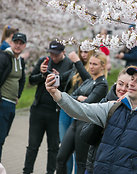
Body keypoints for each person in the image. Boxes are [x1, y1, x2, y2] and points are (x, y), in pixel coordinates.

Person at [45, 64, 137, 174]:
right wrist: (56, 94)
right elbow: (81, 110)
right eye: (132, 79)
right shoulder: (113, 107)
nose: (131, 83)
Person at [23, 40, 74, 174]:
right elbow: (31, 80)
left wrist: (59, 78)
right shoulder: (43, 60)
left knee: (53, 148)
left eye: (56, 54)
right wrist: (42, 74)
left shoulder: (69, 65)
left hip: (56, 112)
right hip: (38, 109)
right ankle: (26, 171)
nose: (53, 57)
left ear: (63, 52)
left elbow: (69, 87)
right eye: (51, 53)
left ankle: (50, 172)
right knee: (33, 146)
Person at [56, 52, 109, 174]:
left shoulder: (102, 84)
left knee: (81, 163)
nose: (91, 66)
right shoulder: (89, 80)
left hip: (85, 124)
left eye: (95, 64)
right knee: (61, 158)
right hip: (75, 123)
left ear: (102, 66)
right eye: (90, 63)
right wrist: (79, 97)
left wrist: (79, 99)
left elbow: (87, 103)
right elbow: (73, 96)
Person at [80, 66, 133, 174]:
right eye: (120, 84)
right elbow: (86, 137)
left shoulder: (136, 111)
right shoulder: (104, 103)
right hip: (94, 166)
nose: (123, 89)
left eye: (128, 86)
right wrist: (104, 117)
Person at [58, 47, 93, 174]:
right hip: (66, 108)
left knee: (79, 153)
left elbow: (90, 82)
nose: (83, 55)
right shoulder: (76, 67)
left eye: (86, 52)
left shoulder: (93, 68)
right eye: (81, 51)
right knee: (64, 147)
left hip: (80, 112)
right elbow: (64, 78)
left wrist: (78, 62)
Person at [0, 32, 27, 162]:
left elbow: (22, 80)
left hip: (11, 104)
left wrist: (18, 96)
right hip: (2, 102)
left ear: (25, 46)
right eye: (16, 42)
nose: (18, 45)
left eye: (21, 43)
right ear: (11, 43)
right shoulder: (4, 57)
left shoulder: (20, 60)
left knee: (3, 137)